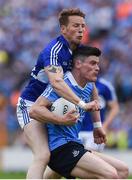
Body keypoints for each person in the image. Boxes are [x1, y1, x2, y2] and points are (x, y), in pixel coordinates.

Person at [16, 8, 100, 179]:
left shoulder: (80, 52)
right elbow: (56, 83)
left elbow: (91, 82)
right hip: (32, 105)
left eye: (83, 26)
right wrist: (82, 104)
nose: (81, 30)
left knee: (60, 158)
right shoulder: (53, 51)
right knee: (43, 155)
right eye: (76, 25)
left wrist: (97, 125)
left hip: (57, 106)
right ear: (63, 29)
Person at [30, 46, 129, 179]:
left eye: (98, 64)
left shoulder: (89, 85)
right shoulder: (62, 85)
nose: (97, 68)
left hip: (75, 145)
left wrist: (97, 127)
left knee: (123, 170)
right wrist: (61, 120)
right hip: (60, 148)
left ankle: (52, 174)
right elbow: (35, 110)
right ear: (78, 64)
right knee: (111, 175)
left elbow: (95, 99)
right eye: (93, 63)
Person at [79, 77, 120, 151]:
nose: (96, 68)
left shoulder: (105, 85)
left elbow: (115, 108)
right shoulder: (71, 82)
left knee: (89, 158)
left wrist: (104, 126)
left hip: (94, 132)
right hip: (75, 131)